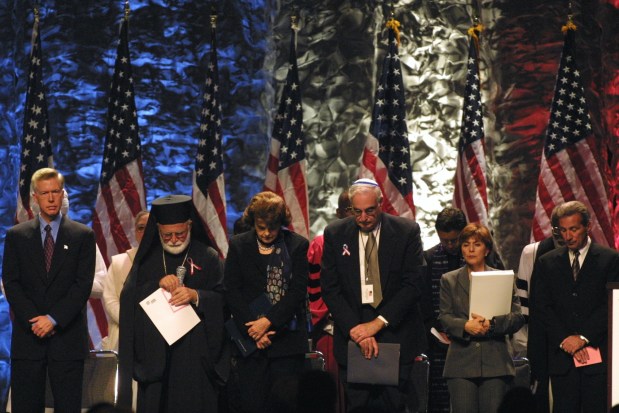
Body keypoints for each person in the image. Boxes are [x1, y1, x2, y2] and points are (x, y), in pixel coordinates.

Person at [320, 178, 427, 412]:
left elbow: (413, 284)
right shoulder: (335, 233)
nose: (363, 218)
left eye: (369, 211)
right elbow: (330, 288)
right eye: (356, 212)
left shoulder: (406, 231)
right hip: (353, 338)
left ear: (381, 204)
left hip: (395, 335)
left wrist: (377, 324)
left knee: (395, 406)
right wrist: (357, 330)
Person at [117, 195, 227, 413]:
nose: (174, 239)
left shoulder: (208, 256)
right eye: (167, 235)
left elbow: (224, 300)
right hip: (155, 358)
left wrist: (196, 295)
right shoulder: (147, 260)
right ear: (157, 229)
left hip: (195, 357)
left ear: (189, 225)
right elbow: (128, 299)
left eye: (180, 233)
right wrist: (155, 285)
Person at [2, 167, 96, 412]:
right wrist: (35, 320)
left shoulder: (82, 236)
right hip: (28, 339)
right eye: (45, 193)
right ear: (35, 197)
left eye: (56, 192)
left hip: (66, 340)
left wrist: (53, 320)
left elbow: (82, 285)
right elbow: (11, 283)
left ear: (63, 193)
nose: (52, 198)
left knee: (68, 406)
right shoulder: (16, 236)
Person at [224, 191, 309, 413]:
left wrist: (268, 322)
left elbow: (297, 291)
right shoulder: (238, 245)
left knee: (286, 406)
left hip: (286, 343)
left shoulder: (297, 245)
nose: (267, 233)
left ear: (281, 223)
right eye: (261, 227)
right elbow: (232, 290)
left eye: (273, 227)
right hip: (251, 343)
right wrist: (255, 329)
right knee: (252, 405)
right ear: (253, 222)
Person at [531, 200, 619, 413]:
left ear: (588, 227)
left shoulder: (610, 259)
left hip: (597, 358)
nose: (567, 236)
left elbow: (611, 305)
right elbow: (542, 308)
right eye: (563, 230)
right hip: (562, 360)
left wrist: (582, 338)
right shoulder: (546, 262)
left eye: (573, 229)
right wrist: (565, 339)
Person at [438, 223, 524, 413]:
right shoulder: (449, 280)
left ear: (487, 249)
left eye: (476, 244)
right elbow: (444, 317)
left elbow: (517, 317)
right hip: (461, 364)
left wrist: (492, 325)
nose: (470, 249)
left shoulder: (503, 278)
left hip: (496, 363)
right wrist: (465, 326)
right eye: (465, 244)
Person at [513, 207, 563, 412]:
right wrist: (524, 343)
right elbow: (524, 301)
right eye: (559, 230)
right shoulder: (532, 253)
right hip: (541, 340)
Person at [307, 190, 352, 413]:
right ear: (338, 212)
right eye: (350, 210)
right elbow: (314, 292)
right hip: (332, 330)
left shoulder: (374, 241)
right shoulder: (321, 244)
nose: (356, 216)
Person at [101, 210, 149, 352]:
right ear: (135, 231)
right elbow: (110, 300)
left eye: (149, 227)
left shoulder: (168, 262)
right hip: (125, 336)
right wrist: (133, 321)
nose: (145, 232)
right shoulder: (119, 262)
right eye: (141, 228)